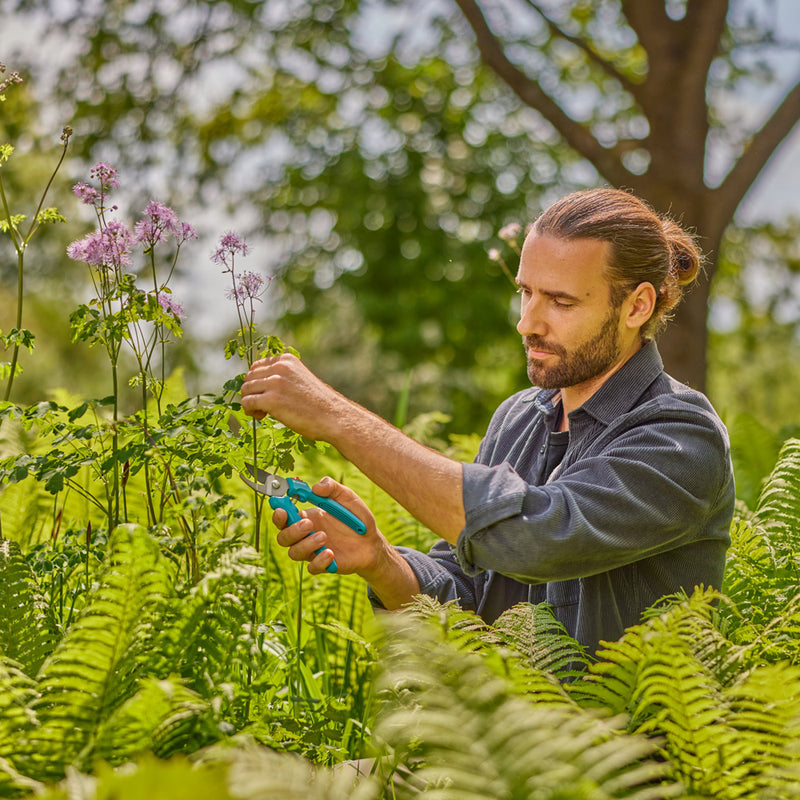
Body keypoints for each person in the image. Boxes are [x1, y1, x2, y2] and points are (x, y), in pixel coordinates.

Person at [240, 188, 735, 655]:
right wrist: (379, 560)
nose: (528, 323)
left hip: (629, 746)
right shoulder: (518, 419)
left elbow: (538, 538)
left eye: (561, 302)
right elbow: (466, 603)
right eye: (526, 293)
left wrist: (336, 418)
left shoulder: (679, 436)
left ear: (637, 306)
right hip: (506, 744)